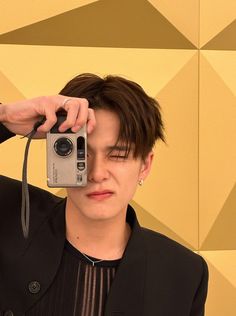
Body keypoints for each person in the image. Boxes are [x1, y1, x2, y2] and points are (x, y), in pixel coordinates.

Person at [0, 73, 208, 316]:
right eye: (81, 153)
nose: (97, 173)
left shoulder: (183, 274)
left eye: (118, 155)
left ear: (145, 165)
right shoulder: (7, 212)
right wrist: (5, 117)